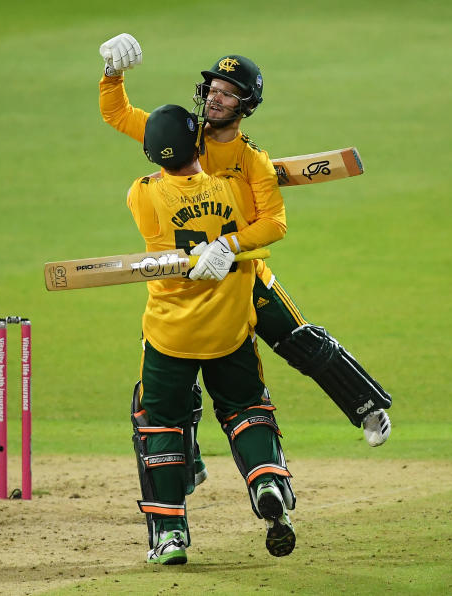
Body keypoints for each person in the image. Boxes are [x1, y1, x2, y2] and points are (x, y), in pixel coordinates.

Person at [99, 34, 392, 479]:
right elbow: (116, 112)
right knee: (171, 375)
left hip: (242, 273)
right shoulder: (178, 135)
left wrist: (229, 245)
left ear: (245, 104)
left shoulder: (251, 160)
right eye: (212, 90)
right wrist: (111, 72)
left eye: (227, 93)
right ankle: (188, 462)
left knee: (300, 340)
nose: (215, 99)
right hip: (185, 281)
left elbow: (275, 223)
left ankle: (367, 406)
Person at [127, 104, 297, 564]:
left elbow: (161, 180)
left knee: (159, 421)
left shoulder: (142, 195)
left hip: (171, 335)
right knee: (246, 408)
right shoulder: (232, 192)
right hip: (229, 330)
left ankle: (170, 536)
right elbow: (267, 223)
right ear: (197, 145)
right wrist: (230, 242)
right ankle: (266, 481)